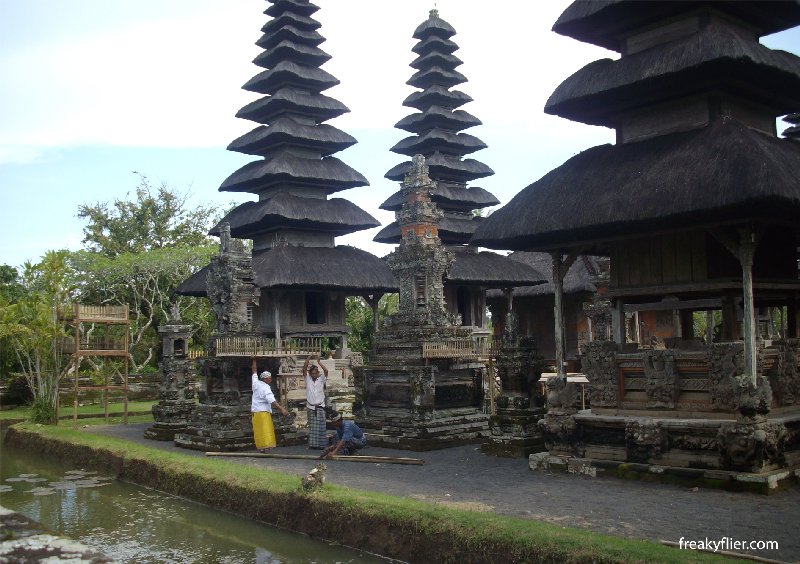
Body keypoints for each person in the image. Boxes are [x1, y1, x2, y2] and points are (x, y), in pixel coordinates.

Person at [251, 358, 289, 453]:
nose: (271, 379)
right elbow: (272, 400)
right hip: (263, 412)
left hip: (255, 411)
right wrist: (282, 409)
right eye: (269, 378)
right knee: (265, 430)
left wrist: (254, 360)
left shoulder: (256, 383)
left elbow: (254, 371)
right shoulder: (266, 388)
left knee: (258, 430)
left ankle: (261, 447)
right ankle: (265, 446)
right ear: (265, 379)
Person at [303, 354, 328, 450]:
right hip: (311, 406)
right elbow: (304, 369)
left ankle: (322, 445)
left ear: (318, 373)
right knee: (313, 427)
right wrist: (308, 358)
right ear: (310, 374)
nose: (314, 375)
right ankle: (313, 445)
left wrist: (319, 362)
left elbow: (326, 371)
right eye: (312, 373)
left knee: (321, 426)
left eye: (315, 373)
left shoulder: (321, 379)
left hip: (320, 405)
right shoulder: (308, 379)